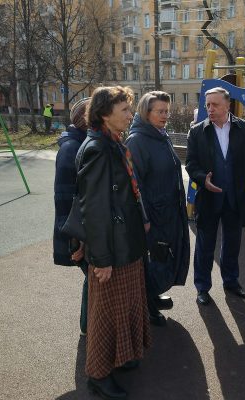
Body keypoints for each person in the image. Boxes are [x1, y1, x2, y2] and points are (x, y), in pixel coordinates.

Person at [76, 86, 150, 400]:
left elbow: (126, 192)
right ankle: (98, 376)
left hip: (125, 244)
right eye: (125, 110)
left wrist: (142, 217)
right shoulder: (97, 148)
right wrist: (101, 258)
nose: (131, 115)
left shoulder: (113, 142)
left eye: (130, 110)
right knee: (105, 315)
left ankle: (119, 359)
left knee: (125, 306)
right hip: (111, 250)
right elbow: (93, 210)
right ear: (105, 113)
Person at [186, 87, 245, 306]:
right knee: (205, 244)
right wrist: (203, 179)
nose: (210, 109)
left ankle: (231, 281)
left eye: (215, 105)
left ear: (227, 106)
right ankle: (202, 287)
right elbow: (191, 164)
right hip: (208, 198)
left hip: (235, 197)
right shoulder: (197, 131)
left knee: (232, 242)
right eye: (207, 105)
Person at [126, 91, 190, 327]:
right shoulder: (137, 141)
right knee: (155, 258)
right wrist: (145, 217)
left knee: (165, 255)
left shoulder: (161, 136)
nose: (165, 115)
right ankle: (147, 304)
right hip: (154, 215)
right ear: (146, 112)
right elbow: (135, 186)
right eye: (160, 111)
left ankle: (153, 294)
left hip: (169, 211)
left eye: (167, 111)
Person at [52, 97, 91, 336]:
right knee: (93, 279)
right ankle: (88, 329)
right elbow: (65, 199)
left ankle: (91, 328)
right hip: (78, 231)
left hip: (84, 228)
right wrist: (74, 240)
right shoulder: (71, 150)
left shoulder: (81, 144)